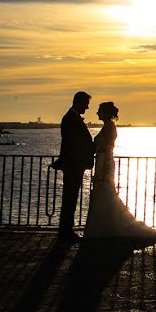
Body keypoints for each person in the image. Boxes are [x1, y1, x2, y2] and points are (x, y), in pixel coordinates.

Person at [84, 101, 156, 242]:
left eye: (99, 111)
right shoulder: (108, 126)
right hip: (104, 161)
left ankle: (105, 229)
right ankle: (106, 228)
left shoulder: (108, 127)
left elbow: (105, 148)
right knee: (105, 196)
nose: (97, 113)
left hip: (104, 163)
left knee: (105, 194)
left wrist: (101, 170)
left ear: (105, 113)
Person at [55, 91, 95, 242]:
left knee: (70, 198)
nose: (87, 108)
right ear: (78, 102)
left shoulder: (71, 117)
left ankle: (66, 230)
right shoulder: (70, 119)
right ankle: (65, 232)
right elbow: (73, 144)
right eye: (86, 104)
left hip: (73, 165)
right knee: (69, 199)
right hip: (73, 166)